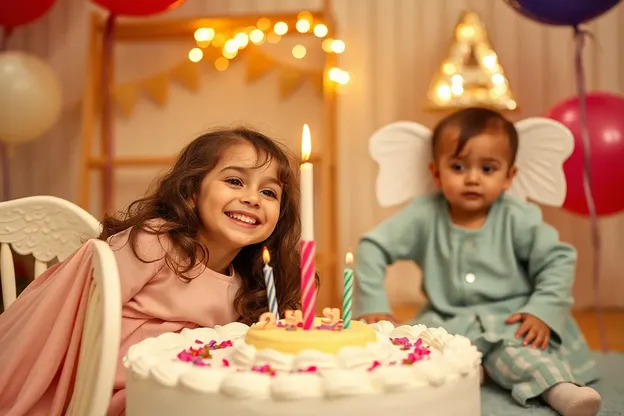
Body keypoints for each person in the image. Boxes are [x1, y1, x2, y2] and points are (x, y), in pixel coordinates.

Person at [0, 127, 305, 416]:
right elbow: (72, 309)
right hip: (111, 390)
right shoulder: (154, 243)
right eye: (235, 181)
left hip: (178, 391)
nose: (253, 198)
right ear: (191, 193)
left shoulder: (249, 283)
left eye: (269, 192)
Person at [354, 108, 601, 416]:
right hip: (446, 317)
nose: (472, 178)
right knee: (417, 349)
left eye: (488, 169)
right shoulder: (423, 214)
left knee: (517, 352)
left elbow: (558, 259)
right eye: (458, 167)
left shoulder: (517, 217)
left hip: (511, 317)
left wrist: (542, 310)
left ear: (509, 176)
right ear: (436, 173)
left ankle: (561, 390)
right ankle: (474, 372)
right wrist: (373, 303)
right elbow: (372, 246)